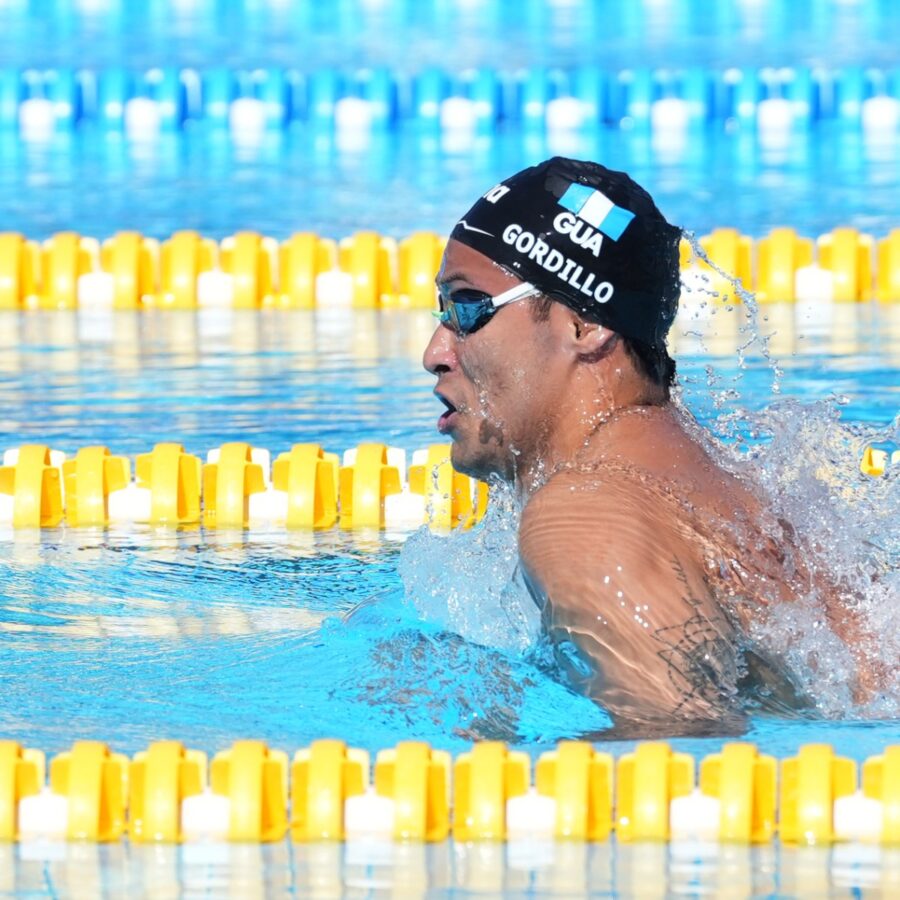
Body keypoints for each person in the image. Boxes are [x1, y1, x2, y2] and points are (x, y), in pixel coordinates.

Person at [422, 156, 881, 736]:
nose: (435, 352)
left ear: (584, 325)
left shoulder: (583, 516)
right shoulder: (720, 495)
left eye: (466, 308)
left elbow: (681, 754)